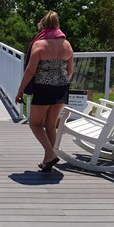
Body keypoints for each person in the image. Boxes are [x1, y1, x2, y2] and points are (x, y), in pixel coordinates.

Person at [15, 11, 74, 172]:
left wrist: (20, 90)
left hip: (44, 88)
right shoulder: (66, 44)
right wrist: (61, 83)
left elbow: (30, 70)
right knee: (50, 125)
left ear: (43, 26)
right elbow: (70, 70)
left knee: (34, 124)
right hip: (61, 88)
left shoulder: (39, 45)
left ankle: (50, 153)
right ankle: (47, 161)